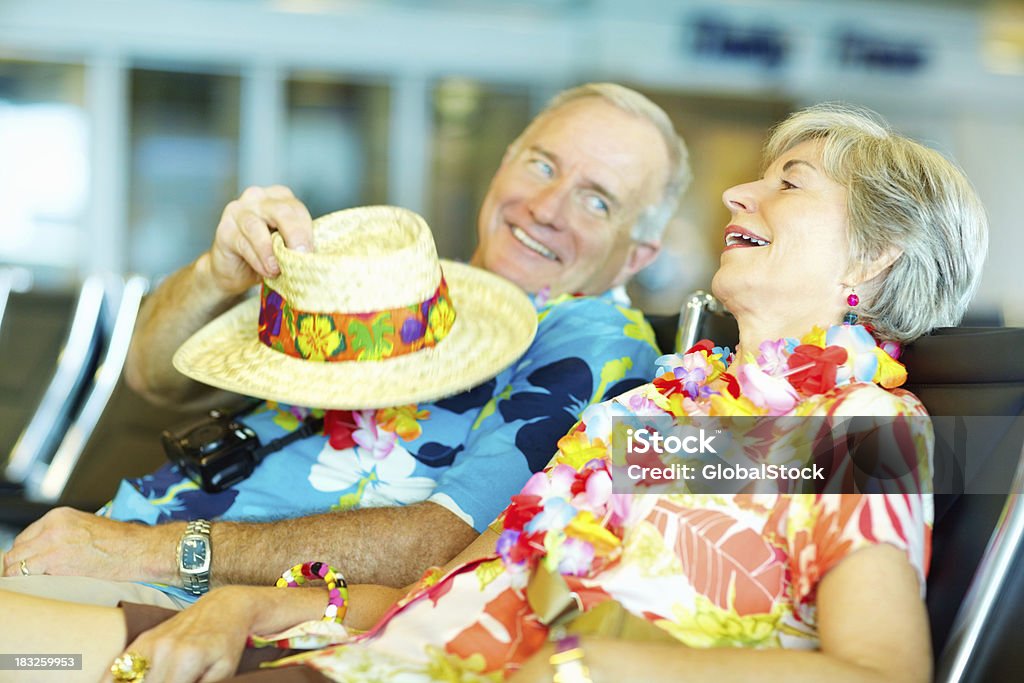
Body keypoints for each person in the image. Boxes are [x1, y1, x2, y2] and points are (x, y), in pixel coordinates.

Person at [0, 101, 987, 683]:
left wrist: (617, 661)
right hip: (374, 652)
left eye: (790, 182)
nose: (739, 194)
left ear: (873, 252)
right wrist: (254, 608)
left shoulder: (851, 427)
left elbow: (883, 673)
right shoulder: (666, 424)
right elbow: (459, 583)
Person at [0, 83, 692, 609]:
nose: (548, 207)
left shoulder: (596, 340)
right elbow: (155, 376)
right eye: (542, 165)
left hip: (199, 605)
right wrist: (218, 277)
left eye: (597, 200)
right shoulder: (419, 291)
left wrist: (151, 548)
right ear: (503, 164)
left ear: (639, 254)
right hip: (103, 548)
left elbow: (439, 541)